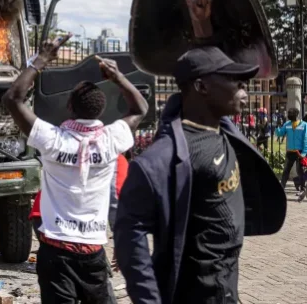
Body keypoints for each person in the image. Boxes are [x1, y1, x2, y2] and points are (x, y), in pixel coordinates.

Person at [114, 46, 287, 304]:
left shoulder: (223, 128)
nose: (243, 86)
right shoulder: (159, 161)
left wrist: (201, 20)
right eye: (232, 78)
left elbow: (205, 55)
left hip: (227, 288)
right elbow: (129, 240)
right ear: (202, 87)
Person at [2, 35, 148, 304]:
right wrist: (117, 77)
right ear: (101, 111)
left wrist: (41, 60)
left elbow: (13, 98)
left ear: (69, 107)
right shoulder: (111, 139)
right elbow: (140, 108)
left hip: (54, 253)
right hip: (93, 252)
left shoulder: (53, 139)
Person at [275, 108, 307, 200]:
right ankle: (281, 189)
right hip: (290, 152)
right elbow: (280, 134)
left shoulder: (304, 125)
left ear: (297, 115)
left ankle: (302, 189)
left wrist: (304, 153)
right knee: (285, 171)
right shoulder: (287, 124)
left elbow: (306, 140)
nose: (289, 115)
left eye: (291, 114)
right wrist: (278, 126)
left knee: (300, 171)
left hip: (300, 152)